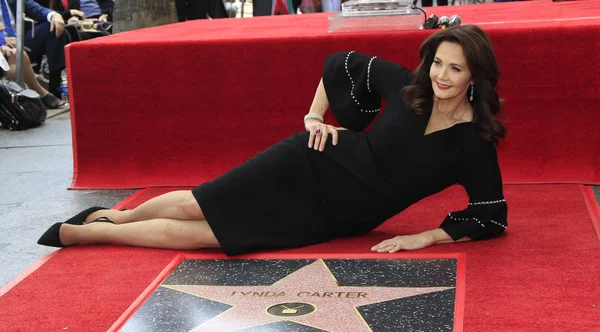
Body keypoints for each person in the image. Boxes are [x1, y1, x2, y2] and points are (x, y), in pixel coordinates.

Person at [38, 25, 508, 255]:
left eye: (455, 68)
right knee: (200, 203)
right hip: (311, 160)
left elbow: (490, 214)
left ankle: (96, 232)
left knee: (215, 237)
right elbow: (340, 65)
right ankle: (115, 217)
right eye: (437, 63)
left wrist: (422, 238)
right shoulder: (406, 85)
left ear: (475, 77)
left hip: (341, 213)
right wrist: (313, 116)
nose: (440, 75)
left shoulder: (474, 142)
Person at [0, 0, 65, 107]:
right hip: (3, 45)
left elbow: (34, 8)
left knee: (53, 27)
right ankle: (28, 99)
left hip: (21, 40)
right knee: (15, 56)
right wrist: (2, 40)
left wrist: (53, 14)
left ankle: (55, 88)